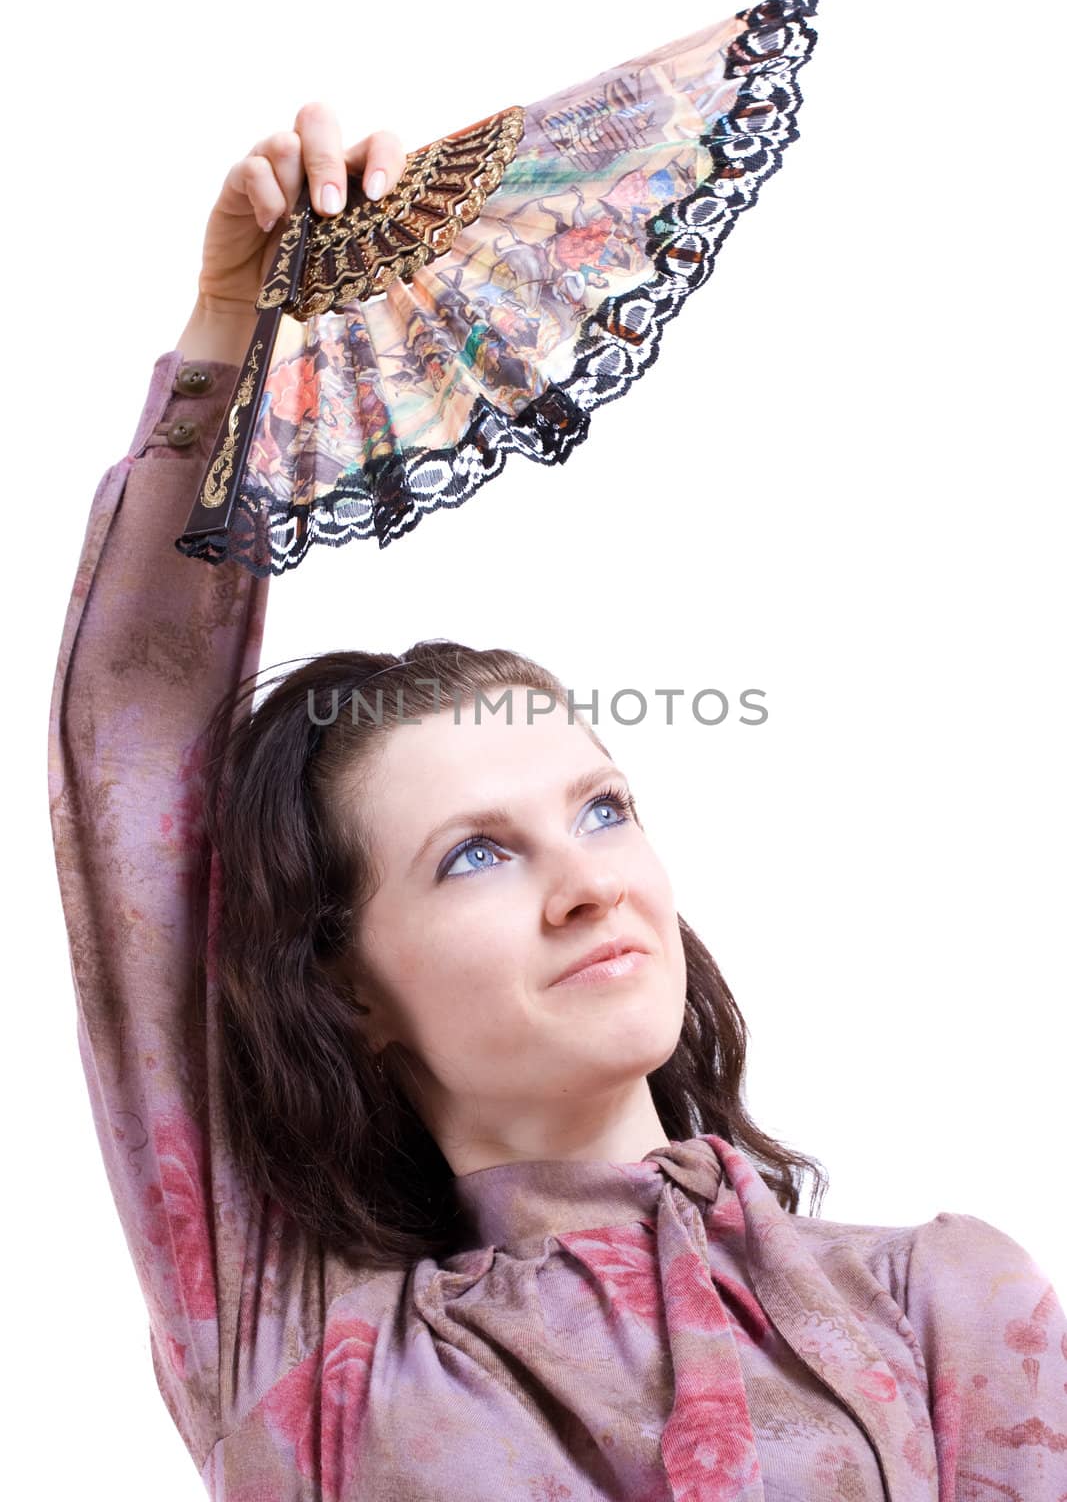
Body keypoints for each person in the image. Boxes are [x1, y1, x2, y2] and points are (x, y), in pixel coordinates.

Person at [48, 104, 1067, 1502]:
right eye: (475, 853)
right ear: (345, 989)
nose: (591, 882)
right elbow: (135, 757)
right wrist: (238, 325)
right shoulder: (308, 1358)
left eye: (601, 810)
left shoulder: (941, 1305)